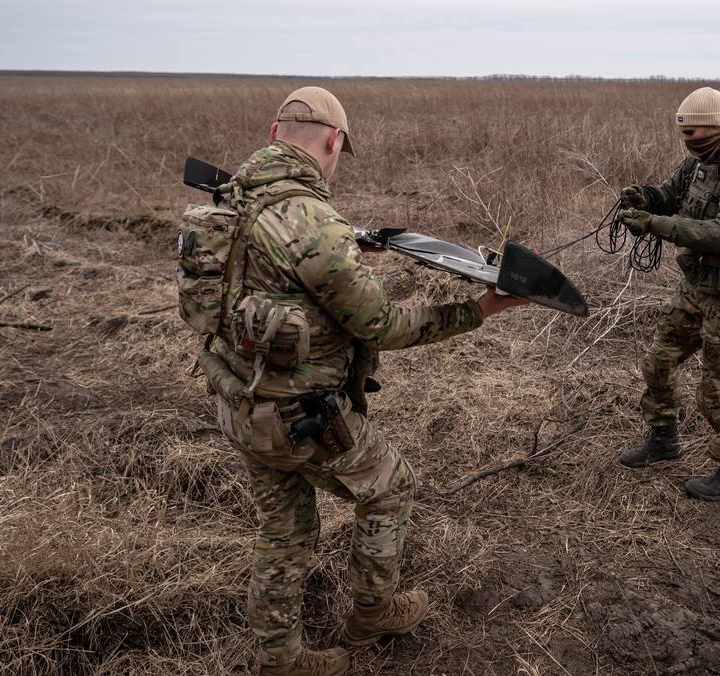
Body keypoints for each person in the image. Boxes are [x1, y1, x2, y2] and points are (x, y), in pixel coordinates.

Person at [199, 86, 527, 676]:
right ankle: (373, 611)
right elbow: (380, 324)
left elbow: (270, 270)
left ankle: (280, 658)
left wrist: (352, 243)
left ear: (276, 134)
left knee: (284, 528)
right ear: (333, 141)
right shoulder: (310, 221)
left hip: (236, 399)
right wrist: (478, 311)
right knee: (390, 487)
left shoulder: (229, 200)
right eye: (336, 152)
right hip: (299, 417)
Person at [615, 86, 720, 502]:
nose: (687, 143)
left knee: (717, 392)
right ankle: (663, 440)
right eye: (683, 135)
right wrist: (648, 198)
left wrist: (656, 225)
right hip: (697, 289)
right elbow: (671, 194)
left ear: (716, 127)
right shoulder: (702, 161)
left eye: (693, 134)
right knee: (658, 362)